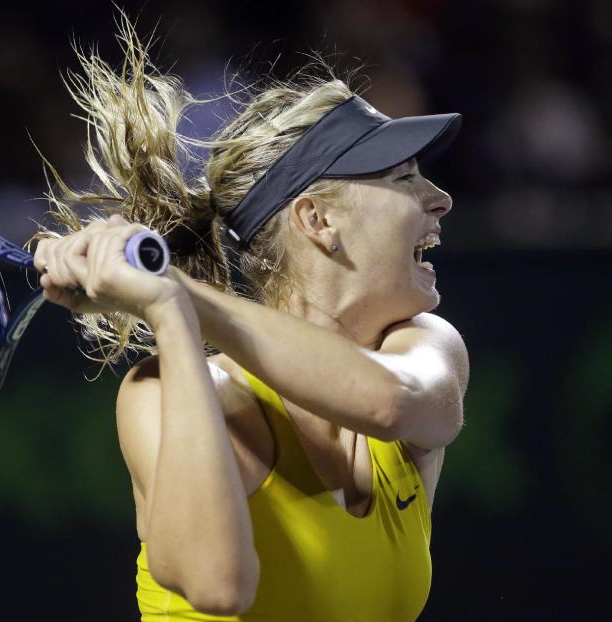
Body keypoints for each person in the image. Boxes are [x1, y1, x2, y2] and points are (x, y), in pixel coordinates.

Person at [32, 17, 470, 622]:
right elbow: (220, 587)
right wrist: (169, 312)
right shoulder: (169, 393)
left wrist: (181, 297)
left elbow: (390, 402)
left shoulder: (427, 346)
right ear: (318, 221)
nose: (439, 197)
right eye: (402, 177)